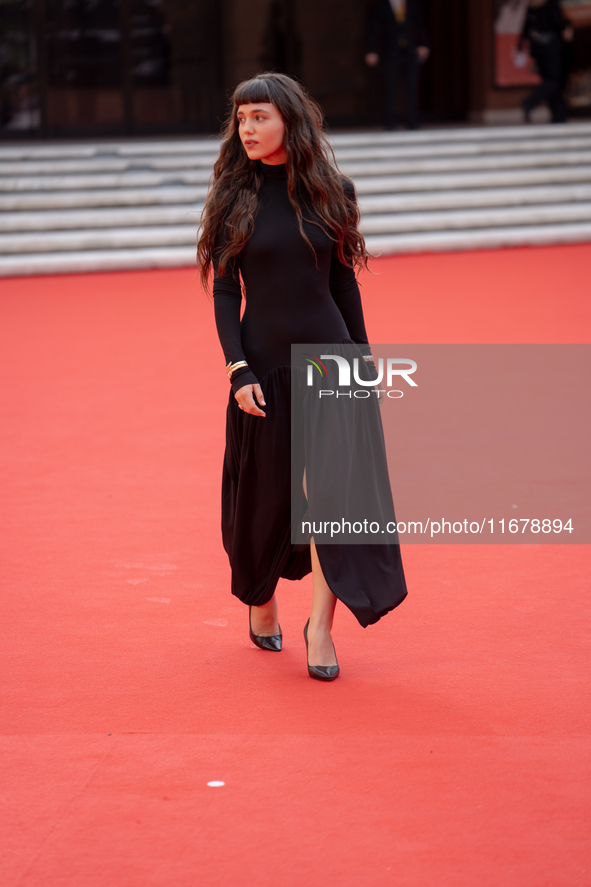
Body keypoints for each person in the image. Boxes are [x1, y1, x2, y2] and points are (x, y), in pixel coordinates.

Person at [197, 72, 407, 682]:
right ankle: (260, 600)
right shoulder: (232, 198)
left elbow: (342, 284)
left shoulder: (332, 191)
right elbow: (225, 294)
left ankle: (321, 627)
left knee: (333, 502)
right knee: (263, 499)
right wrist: (238, 370)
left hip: (330, 361)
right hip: (262, 368)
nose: (248, 129)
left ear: (290, 119)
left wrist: (363, 363)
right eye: (240, 119)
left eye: (259, 116)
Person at [365, 0, 430, 130]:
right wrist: (371, 50)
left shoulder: (412, 5)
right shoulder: (381, 6)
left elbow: (420, 25)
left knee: (412, 86)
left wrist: (424, 44)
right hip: (390, 52)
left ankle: (412, 121)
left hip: (410, 51)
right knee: (390, 86)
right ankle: (389, 122)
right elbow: (373, 28)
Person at [518, 0, 574, 123]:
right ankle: (531, 101)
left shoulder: (532, 5)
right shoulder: (551, 4)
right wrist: (566, 27)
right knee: (554, 81)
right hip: (551, 47)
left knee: (550, 82)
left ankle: (558, 117)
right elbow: (557, 20)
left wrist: (520, 46)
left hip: (537, 48)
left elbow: (526, 27)